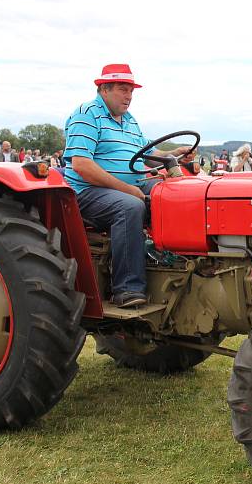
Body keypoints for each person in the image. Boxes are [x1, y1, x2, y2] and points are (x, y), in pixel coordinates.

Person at [63, 63, 189, 308]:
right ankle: (127, 289)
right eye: (123, 90)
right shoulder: (86, 114)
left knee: (177, 195)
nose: (129, 96)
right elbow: (81, 165)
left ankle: (174, 263)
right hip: (87, 192)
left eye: (131, 91)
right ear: (104, 89)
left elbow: (147, 153)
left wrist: (174, 153)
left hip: (129, 186)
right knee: (129, 206)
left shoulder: (129, 120)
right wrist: (126, 188)